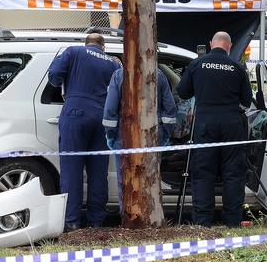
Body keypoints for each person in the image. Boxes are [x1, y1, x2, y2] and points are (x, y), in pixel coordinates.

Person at [176, 31, 252, 228]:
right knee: (233, 174)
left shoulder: (197, 64)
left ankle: (203, 222)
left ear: (211, 44)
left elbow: (182, 92)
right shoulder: (237, 67)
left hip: (205, 125)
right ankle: (233, 221)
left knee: (203, 173)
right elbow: (246, 100)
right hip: (232, 125)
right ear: (229, 45)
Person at [48, 33, 121, 232]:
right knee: (99, 171)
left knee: (72, 170)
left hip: (76, 112)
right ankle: (96, 221)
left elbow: (54, 78)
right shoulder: (114, 63)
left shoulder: (73, 51)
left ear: (87, 43)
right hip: (103, 117)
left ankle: (72, 222)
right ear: (103, 47)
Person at [102, 66, 177, 213]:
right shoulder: (159, 74)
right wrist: (164, 135)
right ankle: (150, 215)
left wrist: (110, 136)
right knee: (150, 178)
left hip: (124, 135)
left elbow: (110, 110)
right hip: (153, 134)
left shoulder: (118, 75)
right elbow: (170, 108)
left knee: (125, 179)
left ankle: (128, 217)